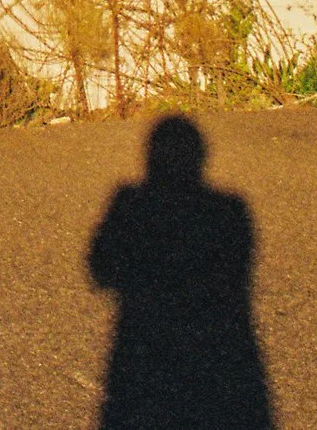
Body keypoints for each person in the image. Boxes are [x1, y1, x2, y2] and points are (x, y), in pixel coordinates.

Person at [87, 115, 275, 430]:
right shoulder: (230, 210)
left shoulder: (130, 202)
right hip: (220, 344)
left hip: (143, 344)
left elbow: (101, 270)